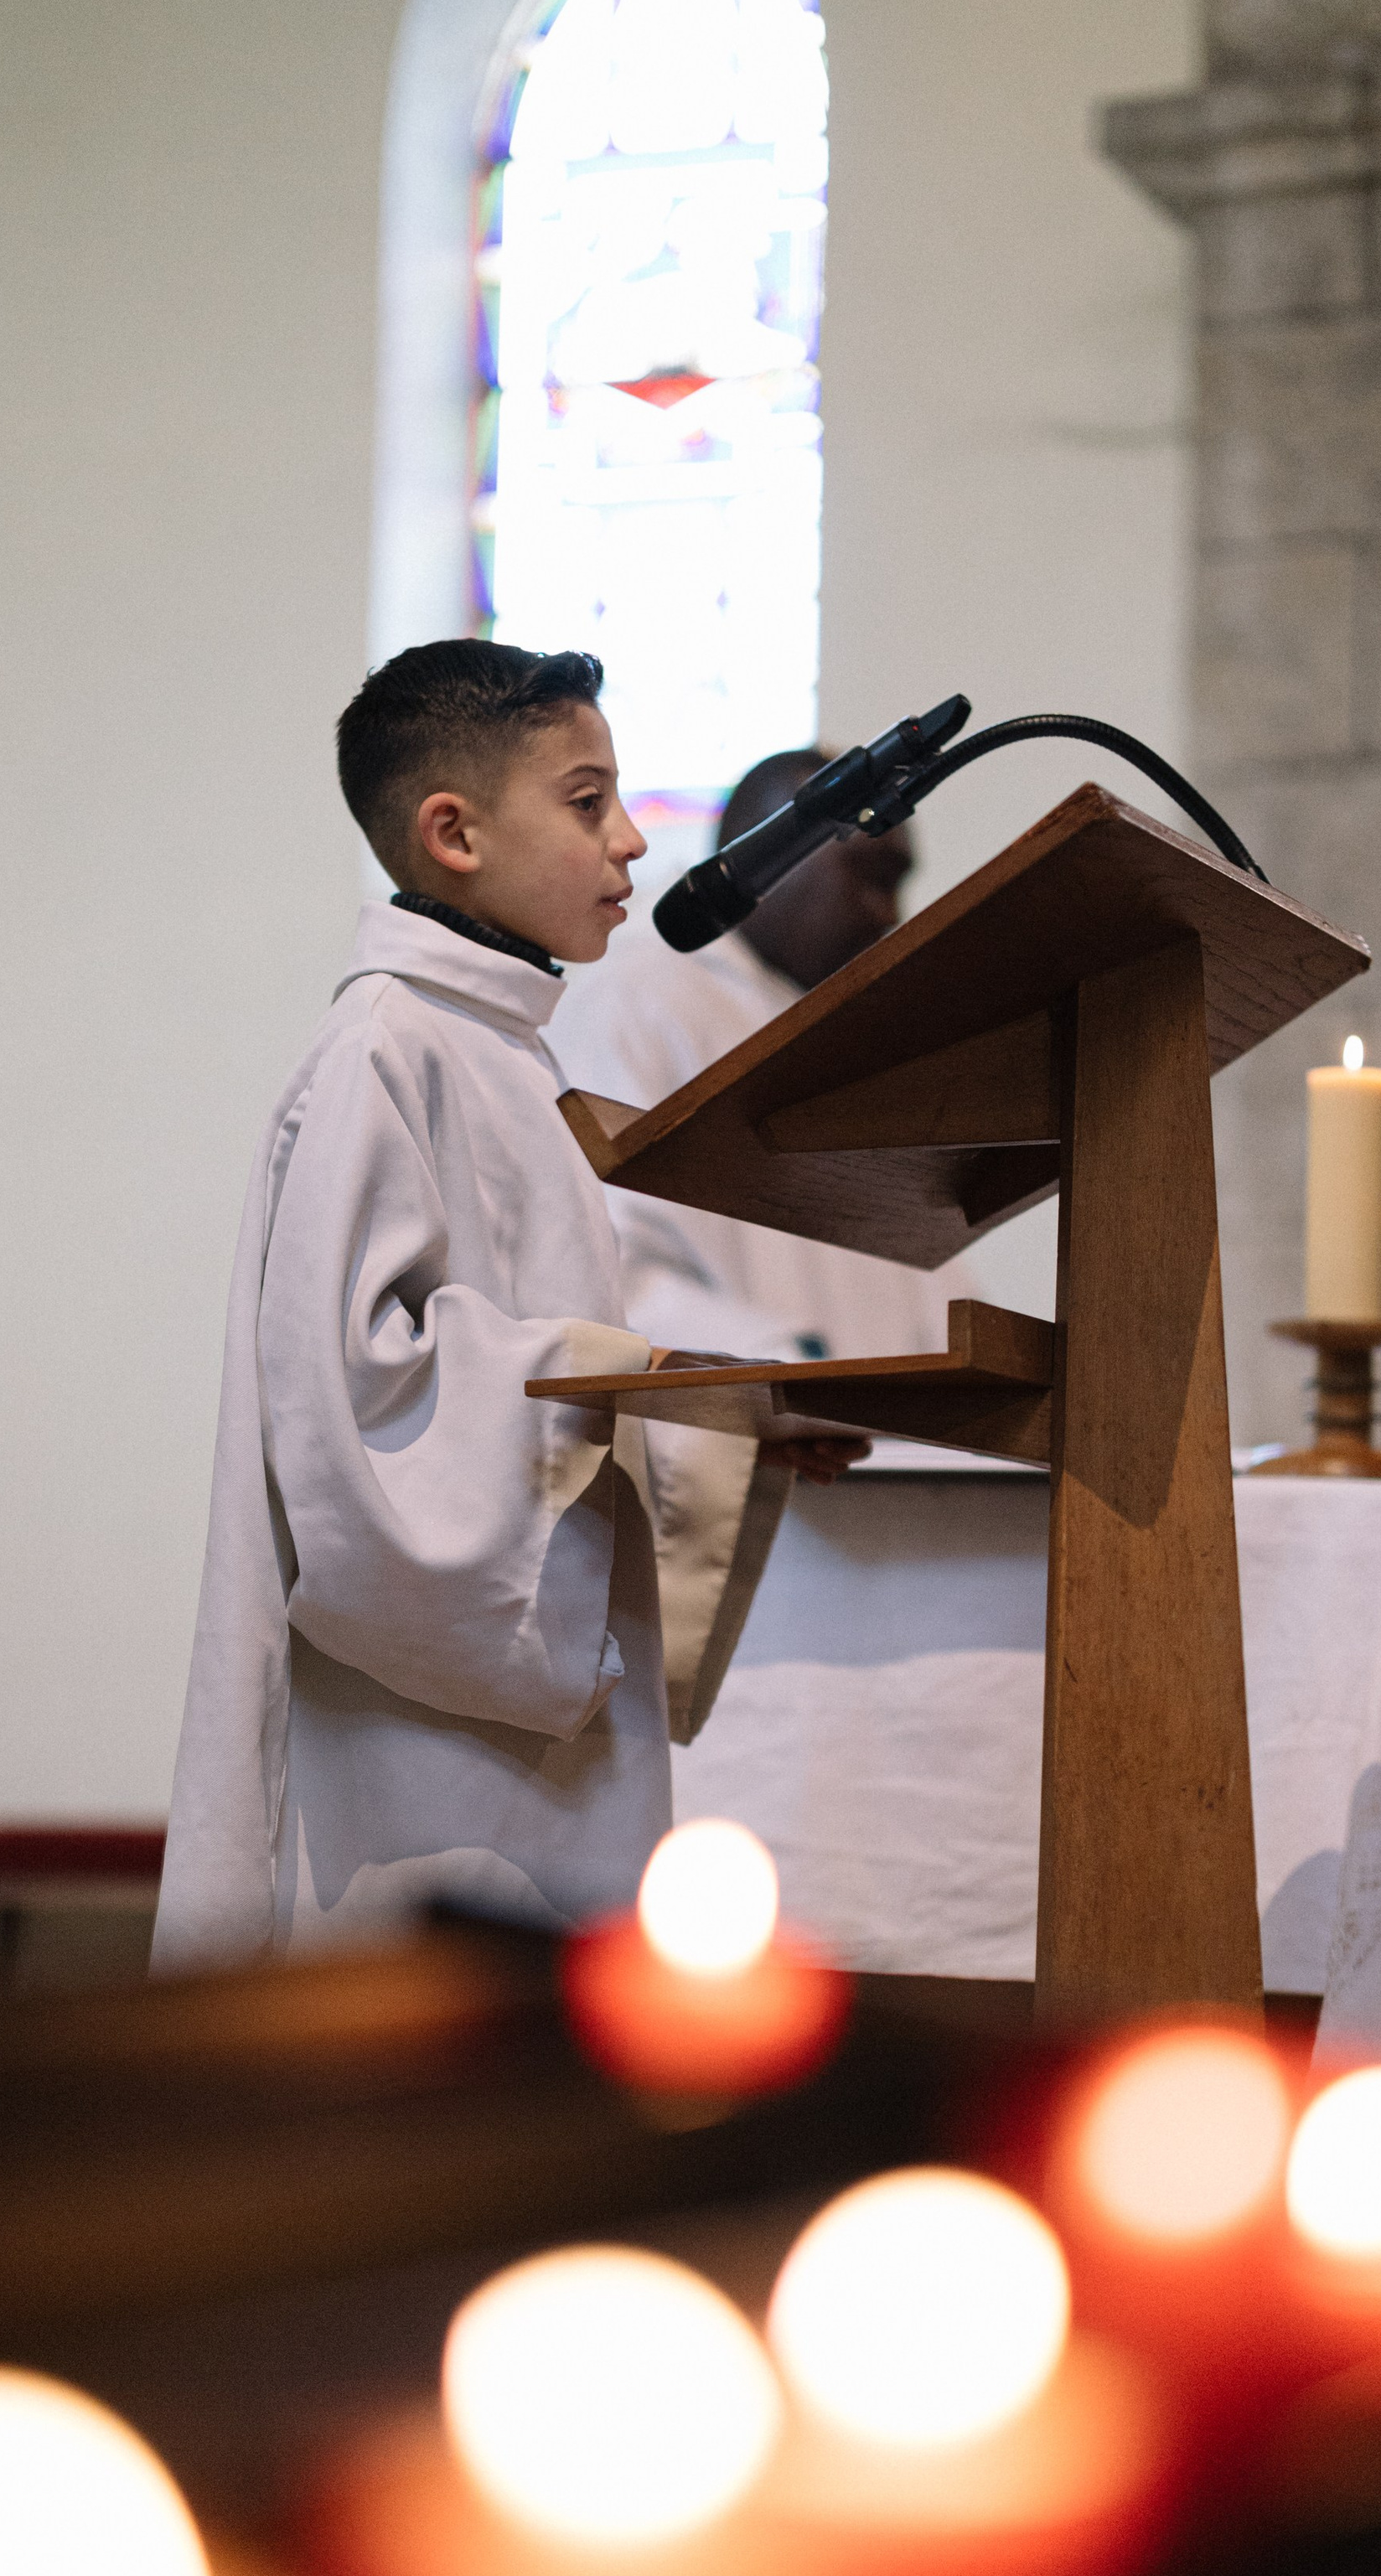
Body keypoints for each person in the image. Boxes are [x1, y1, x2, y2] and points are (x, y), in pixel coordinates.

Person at [151, 642, 855, 1968]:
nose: (632, 841)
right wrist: (669, 1390)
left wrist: (713, 1418)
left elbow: (533, 1369)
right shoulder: (384, 1051)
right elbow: (363, 1409)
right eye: (588, 802)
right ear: (455, 834)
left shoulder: (503, 1050)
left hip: (525, 1702)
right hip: (422, 1735)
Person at [552, 747, 980, 1367]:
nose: (890, 914)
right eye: (870, 877)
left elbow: (919, 1263)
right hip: (749, 1409)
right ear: (771, 855)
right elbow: (602, 1265)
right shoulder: (638, 998)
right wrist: (785, 1362)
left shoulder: (851, 1035)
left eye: (897, 884)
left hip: (869, 1419)